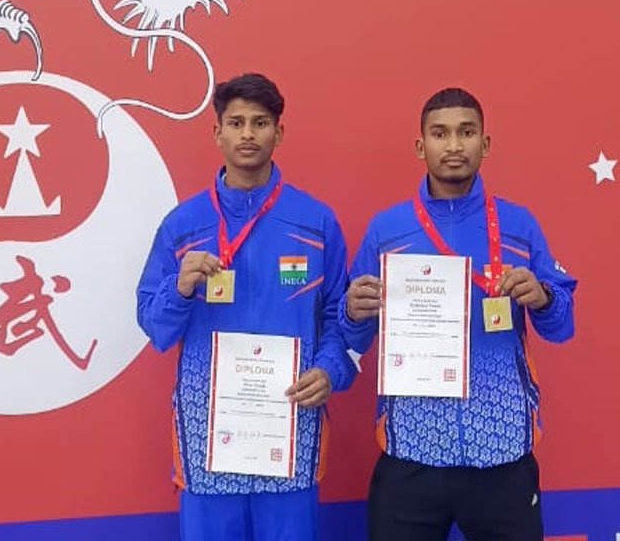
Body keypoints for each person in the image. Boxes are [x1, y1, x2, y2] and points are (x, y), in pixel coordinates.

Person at [340, 87, 577, 540]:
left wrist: (544, 296)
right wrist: (353, 311)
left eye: (466, 133)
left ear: (485, 143)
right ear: (420, 146)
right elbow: (352, 335)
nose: (453, 145)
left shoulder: (520, 225)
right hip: (412, 450)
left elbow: (562, 325)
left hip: (501, 451)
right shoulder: (386, 230)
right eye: (440, 133)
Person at [136, 73, 356, 541]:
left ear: (279, 132)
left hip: (289, 424)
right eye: (236, 123)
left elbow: (340, 315)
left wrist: (329, 370)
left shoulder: (316, 222)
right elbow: (155, 328)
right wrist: (180, 288)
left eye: (260, 122)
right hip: (209, 434)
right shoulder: (182, 225)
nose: (248, 134)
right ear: (217, 132)